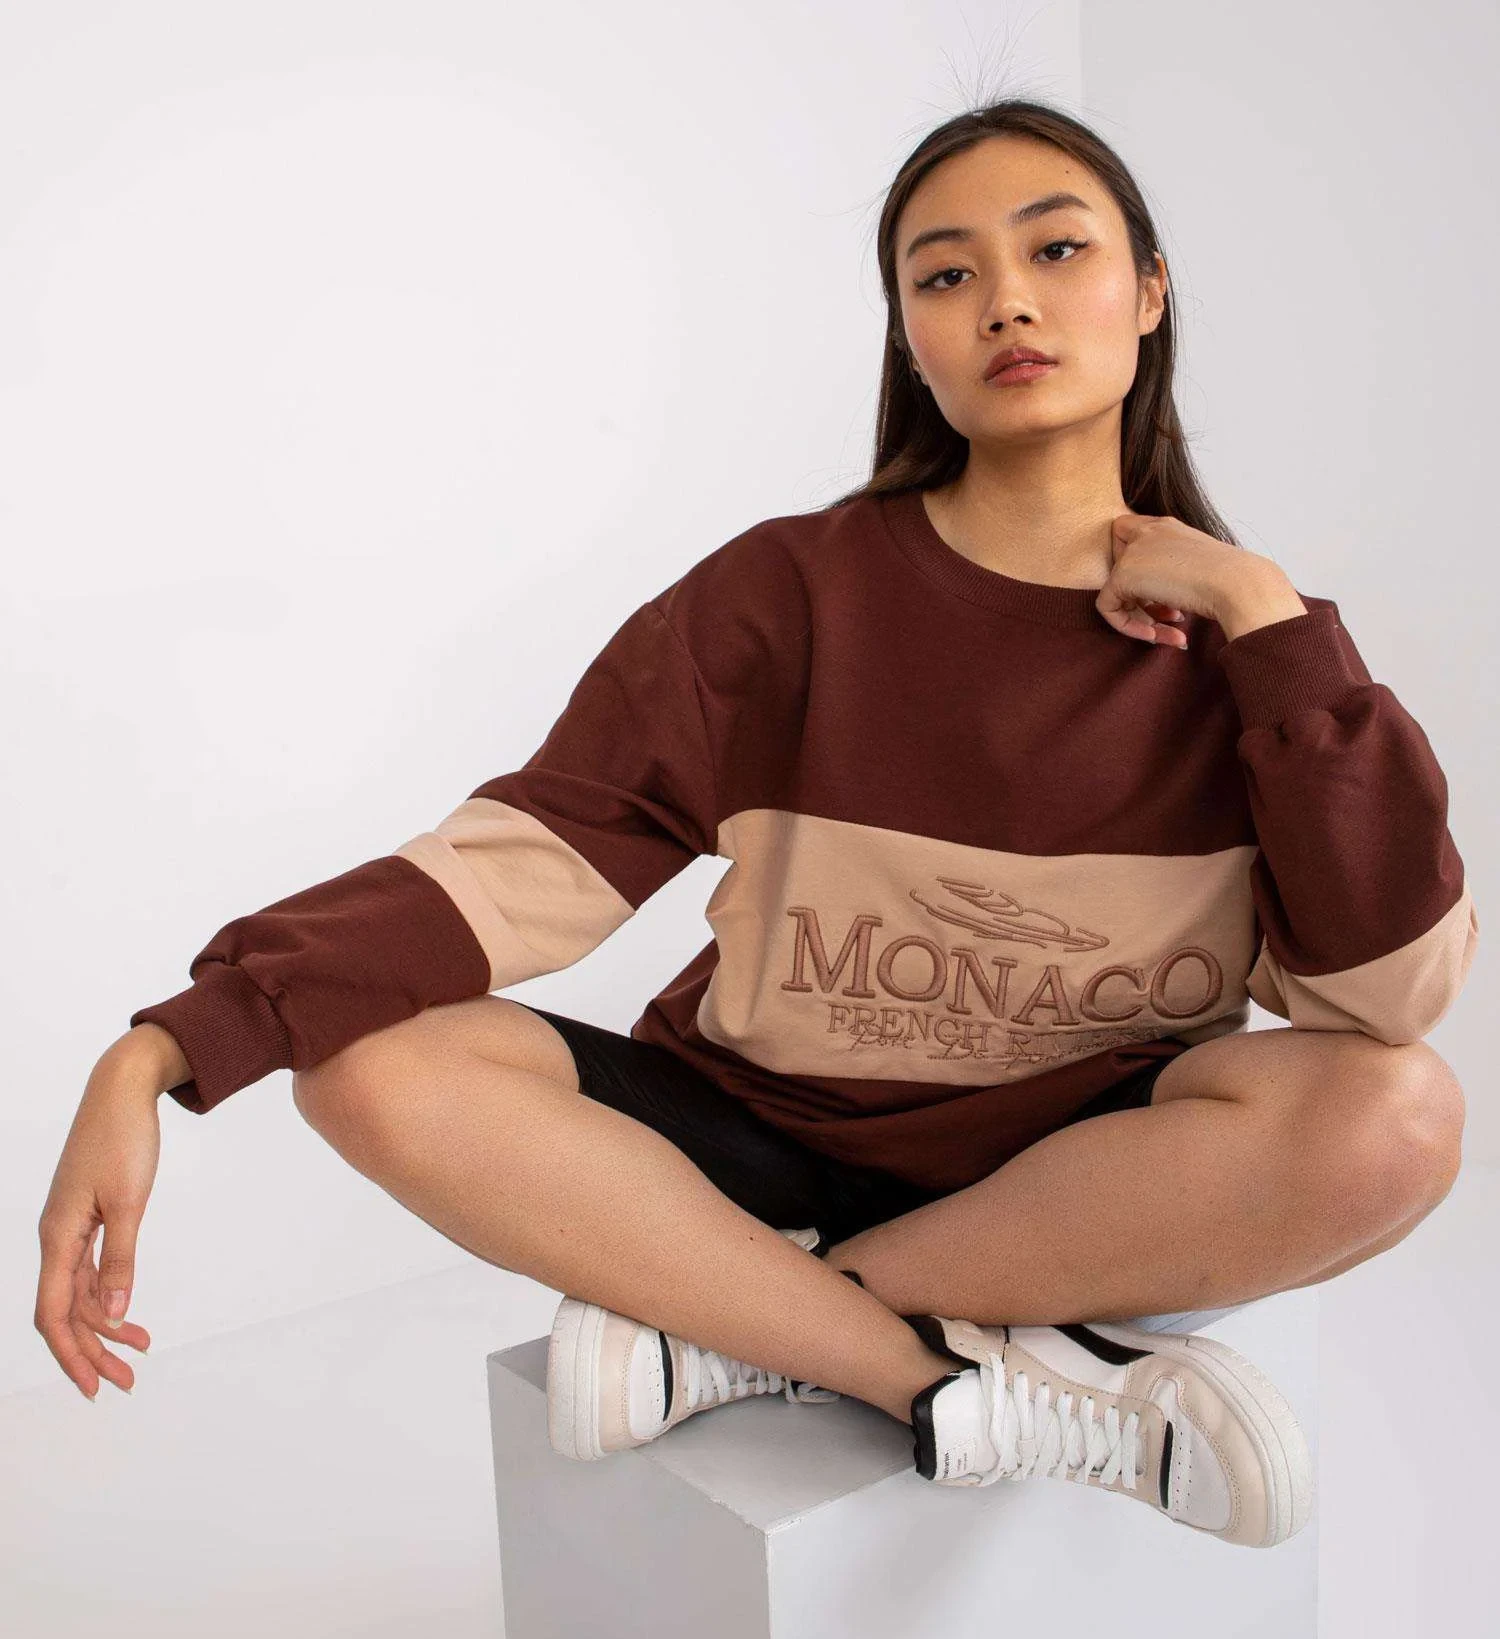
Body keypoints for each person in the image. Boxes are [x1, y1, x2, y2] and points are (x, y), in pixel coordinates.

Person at [35, 100, 1477, 1548]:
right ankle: (927, 1377)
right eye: (947, 274)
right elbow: (530, 862)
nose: (1007, 301)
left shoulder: (1261, 659)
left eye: (1057, 250)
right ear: (909, 335)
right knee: (365, 1060)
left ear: (1150, 291)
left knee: (1399, 1116)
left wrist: (1264, 617)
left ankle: (737, 1324)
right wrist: (164, 1048)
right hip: (753, 1146)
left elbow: (1385, 997)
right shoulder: (788, 595)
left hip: (1065, 1179)